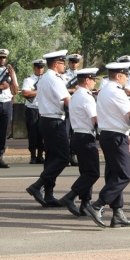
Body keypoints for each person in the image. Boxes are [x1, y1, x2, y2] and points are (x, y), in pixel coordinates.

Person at [83, 61, 130, 228]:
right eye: (125, 75)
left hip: (109, 134)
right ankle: (98, 205)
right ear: (118, 75)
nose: (127, 79)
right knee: (123, 176)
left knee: (114, 174)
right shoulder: (116, 92)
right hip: (115, 136)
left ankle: (117, 212)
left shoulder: (104, 90)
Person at [26, 50, 70, 207]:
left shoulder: (45, 77)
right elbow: (67, 100)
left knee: (52, 158)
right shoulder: (54, 79)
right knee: (64, 157)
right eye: (63, 62)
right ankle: (37, 186)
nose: (64, 65)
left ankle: (49, 194)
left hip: (46, 119)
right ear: (57, 64)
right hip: (54, 121)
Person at [58, 68, 100, 218]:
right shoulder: (86, 97)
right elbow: (96, 118)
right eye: (94, 79)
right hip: (85, 137)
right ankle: (70, 196)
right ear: (87, 80)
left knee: (86, 172)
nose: (95, 82)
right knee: (93, 172)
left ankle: (85, 203)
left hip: (77, 136)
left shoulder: (75, 95)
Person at [21, 59, 46, 164]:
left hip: (44, 109)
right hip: (32, 108)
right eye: (38, 67)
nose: (40, 70)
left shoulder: (46, 79)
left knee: (42, 133)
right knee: (32, 133)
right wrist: (39, 91)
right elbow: (25, 93)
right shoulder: (29, 80)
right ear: (34, 68)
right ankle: (33, 155)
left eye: (42, 67)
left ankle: (40, 155)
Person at [63, 54, 82, 166]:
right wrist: (72, 90)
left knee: (75, 133)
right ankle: (66, 156)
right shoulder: (64, 75)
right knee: (66, 133)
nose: (74, 64)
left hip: (78, 107)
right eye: (72, 62)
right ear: (69, 63)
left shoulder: (82, 75)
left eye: (76, 62)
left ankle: (73, 155)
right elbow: (61, 90)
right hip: (67, 106)